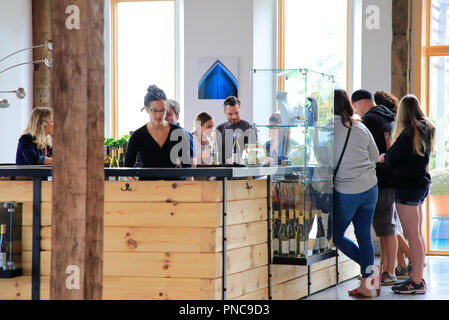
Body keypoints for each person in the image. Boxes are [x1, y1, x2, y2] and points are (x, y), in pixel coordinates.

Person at [379, 94, 435, 294]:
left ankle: (416, 280)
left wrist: (384, 156)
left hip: (407, 188)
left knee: (412, 235)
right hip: (420, 185)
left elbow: (392, 158)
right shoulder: (425, 129)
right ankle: (417, 278)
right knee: (417, 235)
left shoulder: (408, 133)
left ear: (402, 111)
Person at [332, 89, 380, 298]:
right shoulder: (360, 126)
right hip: (370, 188)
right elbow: (376, 155)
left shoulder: (327, 129)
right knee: (364, 237)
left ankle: (369, 275)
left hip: (346, 191)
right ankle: (368, 282)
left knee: (336, 236)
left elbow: (323, 159)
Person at [351, 89, 398, 286]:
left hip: (379, 179)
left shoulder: (369, 121)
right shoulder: (387, 115)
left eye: (355, 107)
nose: (355, 111)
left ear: (362, 103)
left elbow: (367, 152)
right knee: (385, 227)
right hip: (391, 177)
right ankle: (386, 270)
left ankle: (389, 272)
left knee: (386, 229)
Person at [374, 90, 413, 279]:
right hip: (396, 181)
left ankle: (411, 260)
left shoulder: (386, 123)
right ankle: (402, 265)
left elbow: (391, 155)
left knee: (390, 229)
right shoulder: (392, 122)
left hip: (390, 182)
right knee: (391, 227)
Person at [125, 85, 195, 178]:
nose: (159, 115)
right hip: (148, 189)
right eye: (154, 111)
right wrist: (139, 187)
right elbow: (127, 169)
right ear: (147, 109)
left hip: (175, 188)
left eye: (162, 110)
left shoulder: (180, 133)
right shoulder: (137, 136)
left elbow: (188, 171)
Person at [216, 96, 257, 164]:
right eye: (230, 114)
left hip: (243, 171)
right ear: (225, 112)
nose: (234, 117)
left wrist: (239, 159)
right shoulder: (219, 129)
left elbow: (253, 155)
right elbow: (216, 156)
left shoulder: (249, 128)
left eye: (236, 113)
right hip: (223, 172)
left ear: (240, 109)